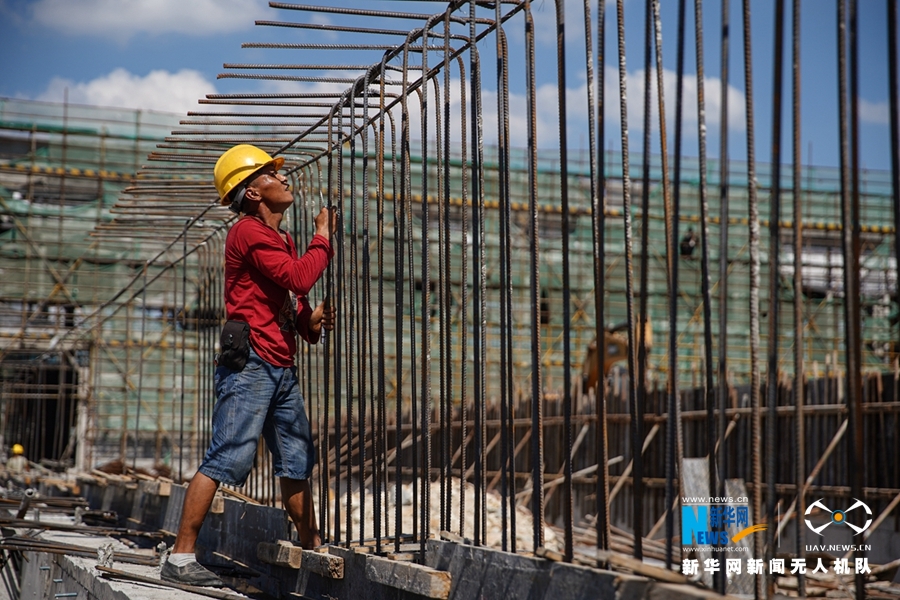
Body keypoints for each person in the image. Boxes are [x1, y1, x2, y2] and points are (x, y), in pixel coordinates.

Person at [161, 145, 337, 588]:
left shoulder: (283, 239)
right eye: (273, 175)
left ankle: (314, 547)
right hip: (251, 364)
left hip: (280, 364)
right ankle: (180, 557)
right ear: (254, 193)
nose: (285, 178)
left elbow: (290, 301)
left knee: (296, 459)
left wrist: (309, 322)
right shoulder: (246, 232)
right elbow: (299, 277)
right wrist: (323, 236)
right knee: (228, 455)